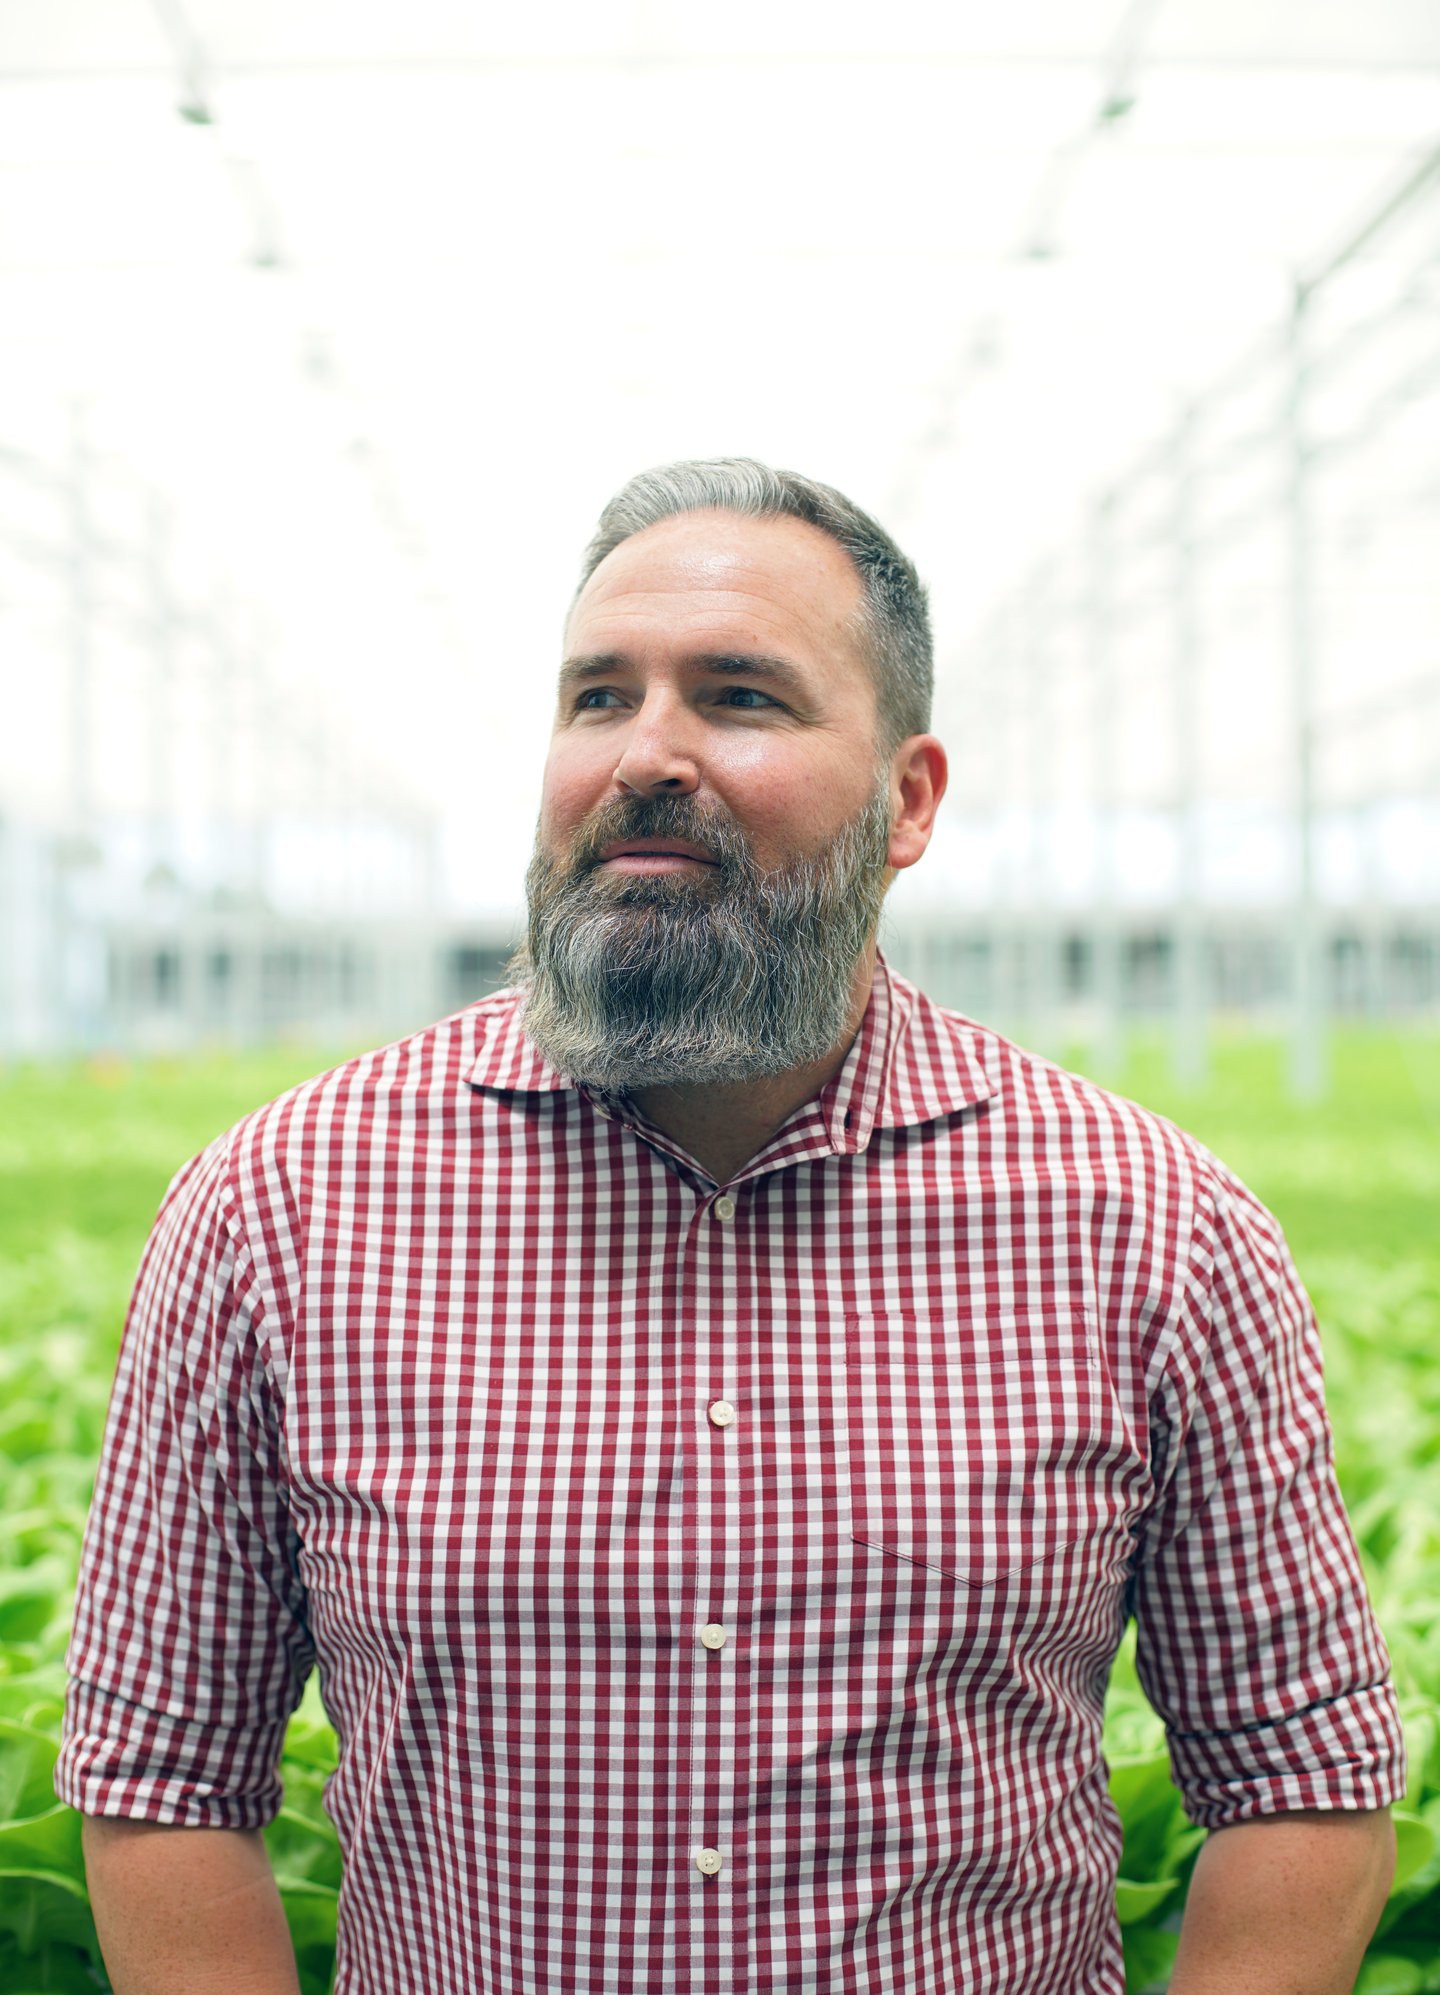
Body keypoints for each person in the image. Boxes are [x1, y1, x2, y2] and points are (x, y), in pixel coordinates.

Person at [59, 459, 1403, 1995]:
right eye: (597, 697)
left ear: (909, 801)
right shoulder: (276, 1209)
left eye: (741, 696)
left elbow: (1300, 1777)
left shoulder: (1157, 1227)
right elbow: (166, 1783)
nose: (647, 754)